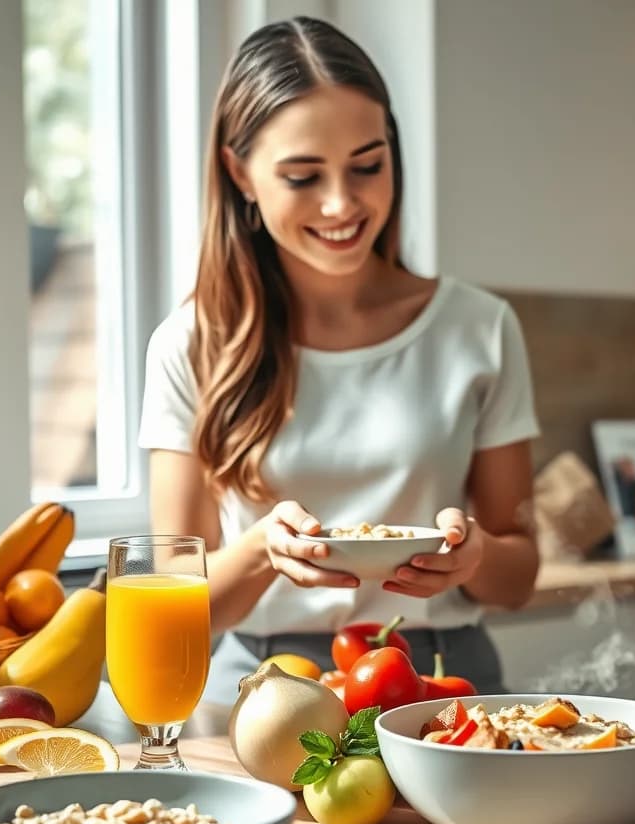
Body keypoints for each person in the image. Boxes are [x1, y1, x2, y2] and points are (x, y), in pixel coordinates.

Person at [137, 16, 540, 704]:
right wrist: (266, 549)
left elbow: (519, 572)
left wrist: (474, 555)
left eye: (367, 165)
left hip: (444, 682)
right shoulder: (191, 343)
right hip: (267, 695)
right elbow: (181, 608)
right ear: (240, 173)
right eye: (302, 175)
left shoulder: (480, 327)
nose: (341, 203)